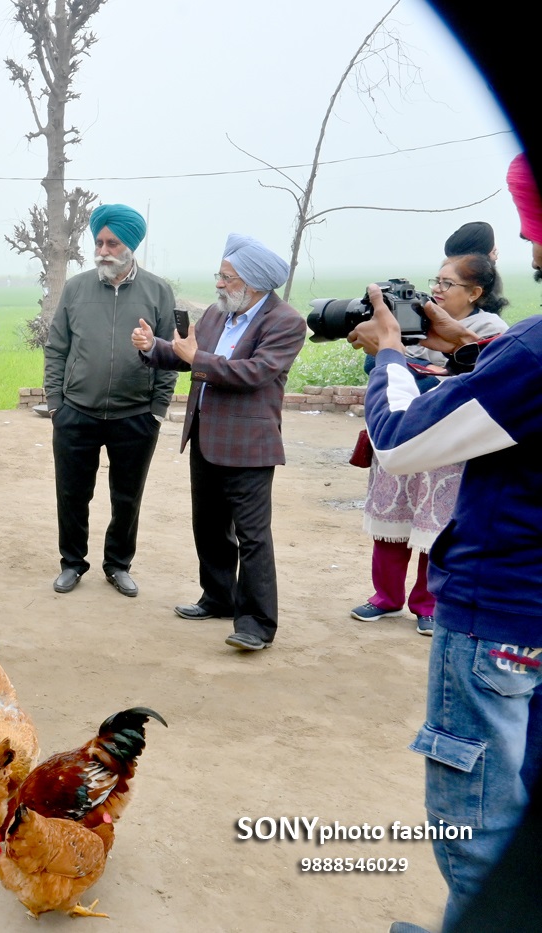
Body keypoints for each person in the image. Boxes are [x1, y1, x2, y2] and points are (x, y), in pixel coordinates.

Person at [355, 153, 542, 933]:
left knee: (477, 826)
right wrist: (463, 344)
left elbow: (400, 440)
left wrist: (388, 354)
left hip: (495, 616)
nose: (528, 247)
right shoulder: (520, 352)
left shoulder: (533, 352)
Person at [132, 233, 306, 651]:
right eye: (220, 275)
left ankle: (256, 624)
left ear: (254, 283)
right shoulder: (217, 313)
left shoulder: (285, 322)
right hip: (206, 436)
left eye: (228, 278)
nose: (219, 284)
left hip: (249, 444)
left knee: (252, 536)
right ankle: (218, 597)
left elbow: (254, 372)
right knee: (208, 527)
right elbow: (187, 356)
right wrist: (153, 347)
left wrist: (196, 358)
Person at [352, 253, 508, 636]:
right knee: (393, 517)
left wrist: (403, 363)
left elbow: (456, 386)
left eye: (447, 283)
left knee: (434, 526)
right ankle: (386, 597)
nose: (436, 290)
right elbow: (376, 368)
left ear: (474, 293)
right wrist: (405, 362)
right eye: (435, 281)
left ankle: (427, 604)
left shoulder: (490, 328)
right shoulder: (411, 318)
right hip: (401, 432)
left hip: (447, 445)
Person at [45, 204, 177, 598]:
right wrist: (55, 403)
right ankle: (72, 563)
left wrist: (157, 410)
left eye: (112, 243)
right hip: (76, 411)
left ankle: (118, 565)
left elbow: (171, 354)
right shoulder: (76, 288)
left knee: (126, 498)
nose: (102, 250)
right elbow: (56, 348)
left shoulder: (157, 291)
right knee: (72, 494)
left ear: (130, 246)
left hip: (136, 415)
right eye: (99, 242)